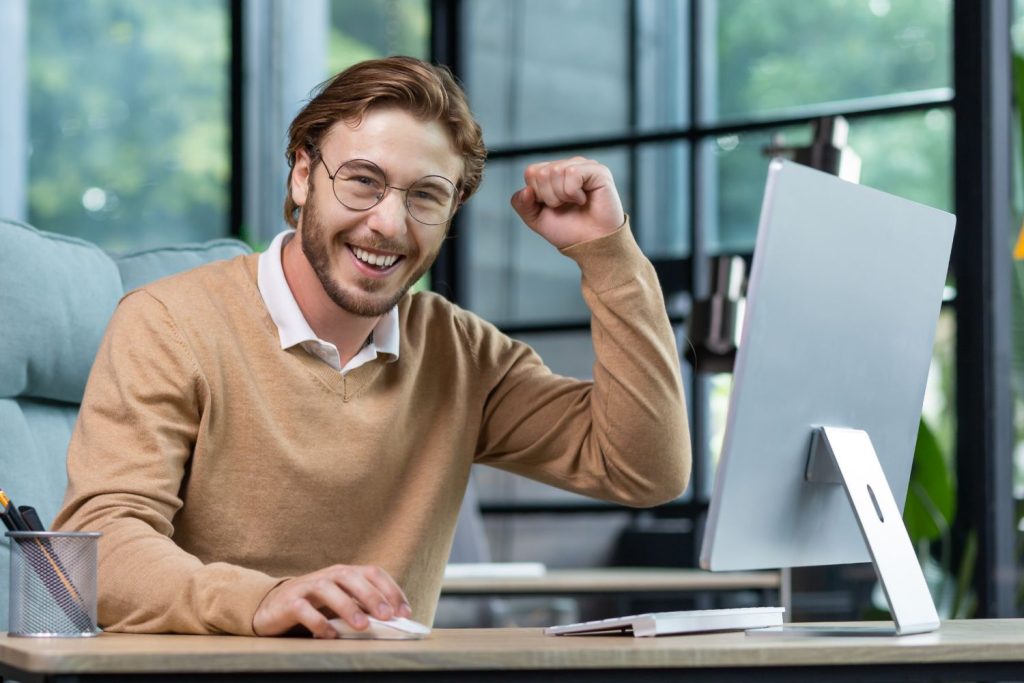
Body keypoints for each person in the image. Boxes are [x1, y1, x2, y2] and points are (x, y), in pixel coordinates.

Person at [54, 56, 691, 637]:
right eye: (362, 181)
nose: (389, 223)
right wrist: (263, 600)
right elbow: (100, 548)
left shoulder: (459, 352)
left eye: (425, 196)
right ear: (303, 174)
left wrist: (607, 256)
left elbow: (645, 469)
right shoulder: (169, 323)